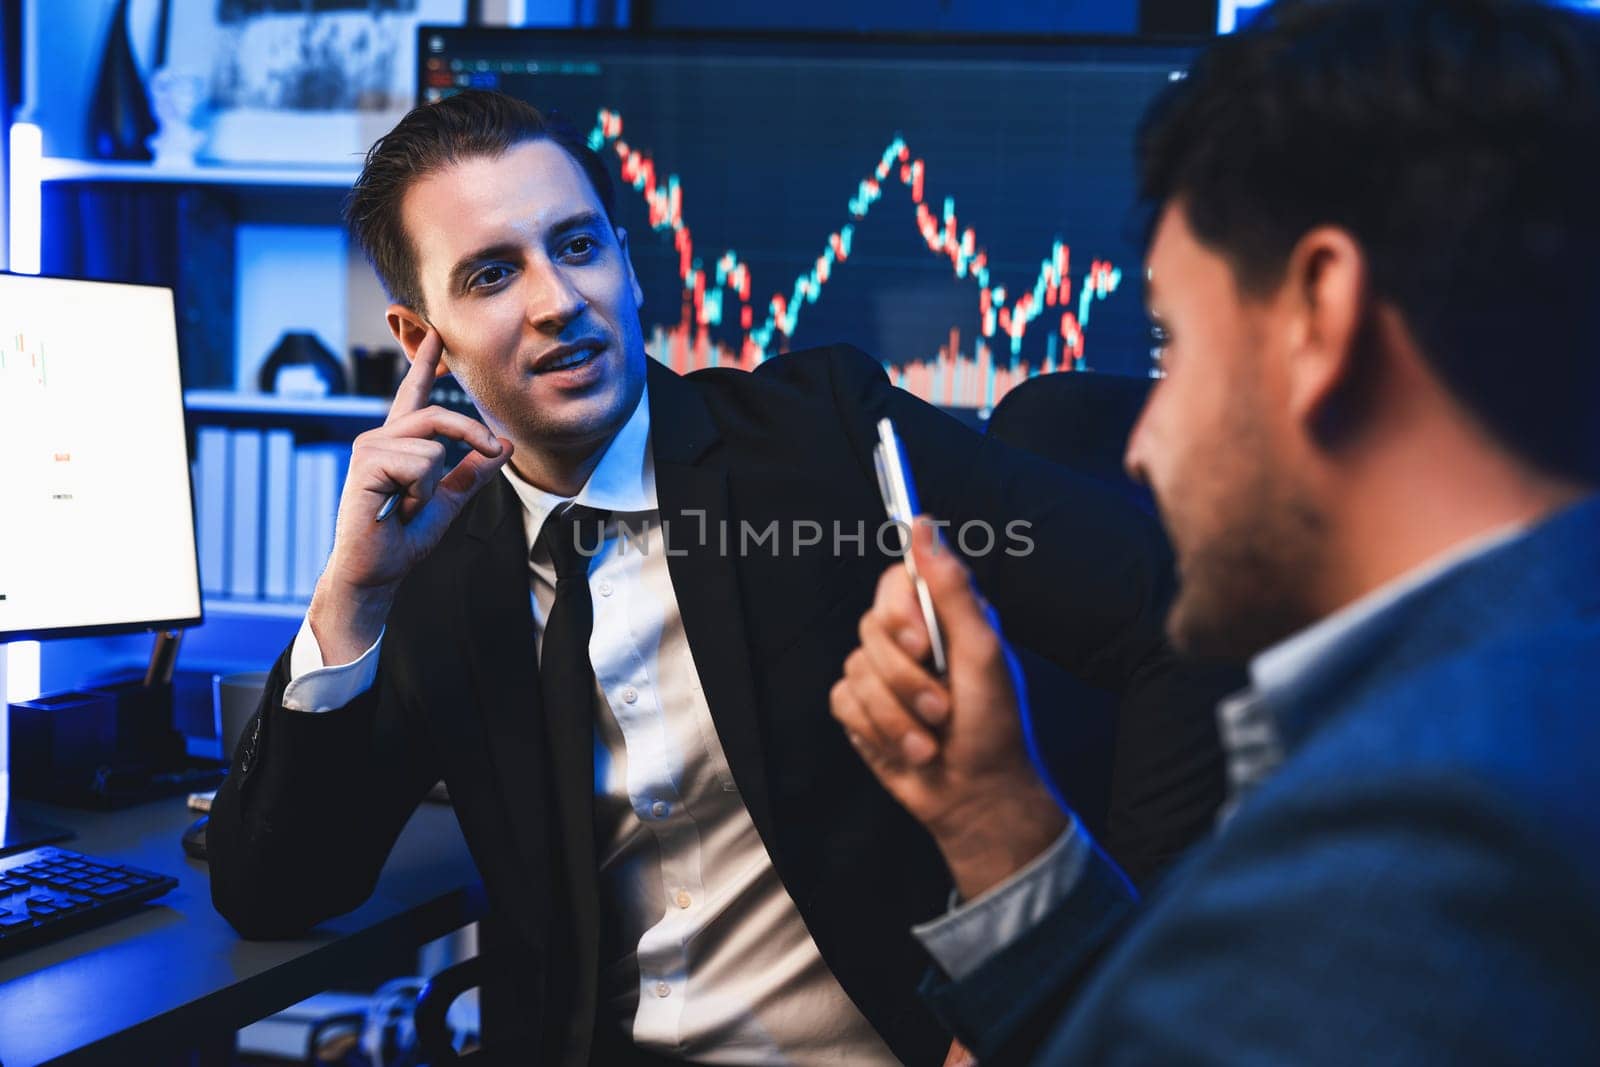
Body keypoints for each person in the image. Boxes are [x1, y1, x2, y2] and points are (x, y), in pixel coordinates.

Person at [206, 90, 1232, 1065]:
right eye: (490, 275)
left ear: (627, 262)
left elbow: (1180, 622)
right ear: (417, 337)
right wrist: (351, 595)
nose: (559, 301)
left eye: (577, 245)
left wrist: (1076, 986)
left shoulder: (824, 436)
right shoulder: (432, 561)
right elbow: (278, 887)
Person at [830, 0, 1600, 1062]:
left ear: (1319, 315)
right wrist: (1001, 830)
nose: (1139, 444)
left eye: (1174, 347)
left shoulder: (1409, 850)